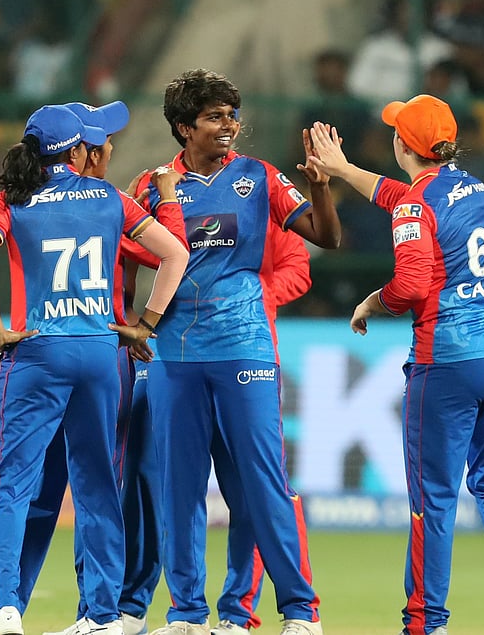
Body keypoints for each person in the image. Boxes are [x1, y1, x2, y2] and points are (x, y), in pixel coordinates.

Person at [306, 94, 484, 635]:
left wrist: (374, 301)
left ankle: (425, 623)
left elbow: (412, 283)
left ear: (403, 143)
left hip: (451, 359)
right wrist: (344, 169)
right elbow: (405, 199)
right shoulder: (476, 187)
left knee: (433, 500)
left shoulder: (415, 207)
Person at [0, 104, 189, 635]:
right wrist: (145, 324)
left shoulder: (10, 199)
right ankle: (102, 616)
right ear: (78, 151)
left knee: (12, 487)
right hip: (99, 352)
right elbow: (176, 255)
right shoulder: (110, 198)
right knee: (98, 486)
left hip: (37, 352)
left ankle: (5, 611)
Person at [140, 69, 340, 635]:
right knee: (178, 489)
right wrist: (132, 326)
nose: (229, 125)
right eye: (214, 117)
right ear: (185, 128)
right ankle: (186, 614)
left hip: (244, 346)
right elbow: (127, 253)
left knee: (261, 483)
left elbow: (327, 237)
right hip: (175, 355)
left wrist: (321, 187)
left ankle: (298, 612)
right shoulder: (152, 186)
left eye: (232, 115)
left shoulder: (260, 177)